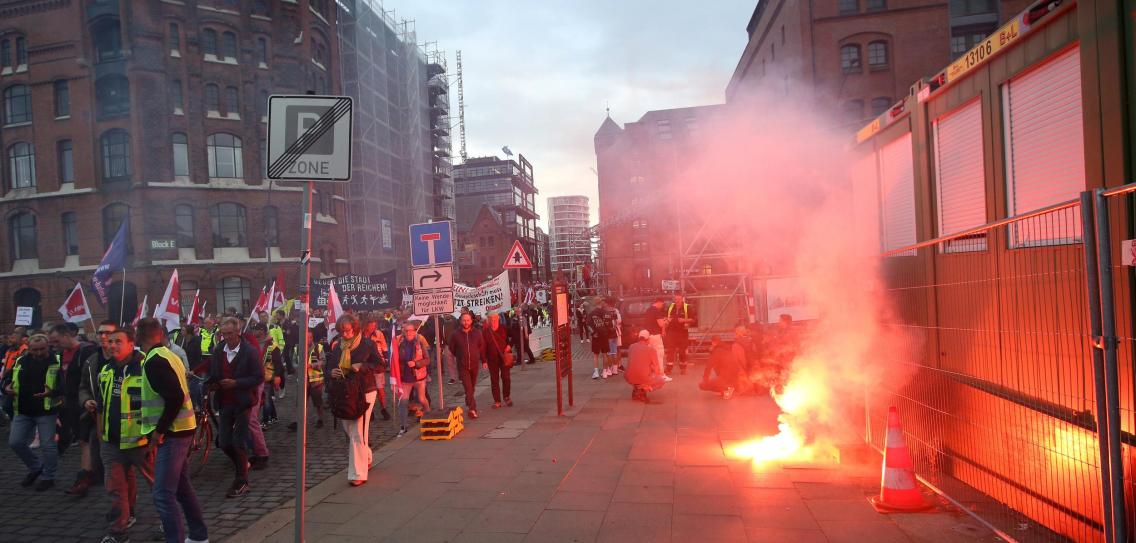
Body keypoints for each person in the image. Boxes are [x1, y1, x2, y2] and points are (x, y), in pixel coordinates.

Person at [135, 319, 208, 543]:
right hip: (181, 429)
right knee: (182, 488)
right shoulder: (168, 355)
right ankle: (198, 536)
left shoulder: (155, 360)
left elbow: (174, 397)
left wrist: (159, 431)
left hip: (173, 434)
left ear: (141, 336)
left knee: (163, 493)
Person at [93, 328, 152, 543]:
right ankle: (119, 531)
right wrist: (102, 437)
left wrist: (157, 436)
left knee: (159, 486)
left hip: (143, 442)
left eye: (118, 341)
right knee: (115, 490)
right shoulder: (106, 370)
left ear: (131, 343)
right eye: (109, 342)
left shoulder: (146, 368)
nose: (112, 345)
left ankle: (169, 524)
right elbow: (101, 405)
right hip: (113, 444)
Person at [207, 317, 262, 498]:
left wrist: (236, 383)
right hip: (225, 402)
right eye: (224, 334)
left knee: (238, 442)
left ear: (238, 332)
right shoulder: (218, 351)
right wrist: (211, 385)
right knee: (224, 443)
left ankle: (241, 481)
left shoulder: (250, 352)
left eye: (230, 334)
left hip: (243, 402)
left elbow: (258, 377)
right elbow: (214, 373)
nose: (227, 337)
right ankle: (242, 463)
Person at [326, 314, 381, 486]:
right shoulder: (337, 347)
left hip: (365, 391)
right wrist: (331, 372)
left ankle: (357, 473)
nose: (345, 334)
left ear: (355, 328)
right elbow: (330, 366)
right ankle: (367, 455)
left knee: (358, 430)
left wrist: (362, 367)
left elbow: (380, 364)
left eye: (348, 331)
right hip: (344, 392)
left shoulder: (367, 344)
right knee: (348, 428)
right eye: (342, 331)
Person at [4, 334, 61, 491]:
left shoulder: (56, 361)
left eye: (42, 349)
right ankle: (36, 467)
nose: (39, 353)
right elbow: (7, 379)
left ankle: (48, 477)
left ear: (48, 345)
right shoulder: (20, 360)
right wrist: (6, 387)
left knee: (47, 445)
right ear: (29, 348)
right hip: (22, 409)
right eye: (35, 350)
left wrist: (53, 392)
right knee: (15, 442)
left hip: (46, 410)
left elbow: (65, 385)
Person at [71, 320, 119, 497]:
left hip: (122, 416)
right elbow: (83, 386)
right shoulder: (91, 361)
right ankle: (99, 479)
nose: (103, 336)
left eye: (107, 333)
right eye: (100, 333)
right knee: (93, 442)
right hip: (97, 414)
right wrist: (86, 401)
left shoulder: (126, 359)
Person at [48, 323, 98, 473]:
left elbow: (90, 378)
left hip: (85, 401)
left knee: (87, 439)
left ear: (66, 336)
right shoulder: (61, 354)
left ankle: (89, 473)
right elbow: (63, 378)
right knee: (82, 438)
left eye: (56, 341)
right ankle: (90, 471)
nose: (54, 345)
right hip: (70, 402)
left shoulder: (86, 351)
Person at [390, 322, 429, 435]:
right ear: (403, 331)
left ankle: (428, 414)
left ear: (414, 330)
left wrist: (416, 363)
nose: (408, 333)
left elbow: (427, 360)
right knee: (403, 401)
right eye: (406, 330)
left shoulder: (419, 341)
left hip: (418, 377)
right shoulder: (399, 342)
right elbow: (394, 358)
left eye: (410, 330)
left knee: (422, 399)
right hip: (405, 377)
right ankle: (403, 426)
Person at [448, 312, 487, 419]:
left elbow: (481, 347)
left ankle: (468, 400)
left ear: (471, 321)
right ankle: (472, 409)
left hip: (474, 364)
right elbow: (452, 347)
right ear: (461, 321)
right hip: (462, 365)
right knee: (468, 387)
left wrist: (484, 360)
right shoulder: (455, 334)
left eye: (468, 320)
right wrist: (460, 355)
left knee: (472, 387)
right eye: (464, 320)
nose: (466, 322)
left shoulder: (477, 333)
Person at [288, 330, 327, 431]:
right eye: (305, 337)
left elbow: (323, 361)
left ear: (312, 338)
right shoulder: (297, 348)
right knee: (300, 402)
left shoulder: (318, 348)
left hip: (316, 381)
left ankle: (320, 419)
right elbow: (294, 362)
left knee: (317, 402)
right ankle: (297, 422)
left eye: (309, 337)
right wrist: (299, 367)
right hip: (302, 380)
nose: (307, 339)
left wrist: (312, 365)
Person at [361, 315, 391, 422]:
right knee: (367, 390)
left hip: (378, 365)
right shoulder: (360, 335)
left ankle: (384, 408)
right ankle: (370, 411)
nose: (373, 328)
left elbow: (384, 348)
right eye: (371, 326)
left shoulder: (379, 334)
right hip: (365, 366)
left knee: (380, 389)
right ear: (366, 325)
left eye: (375, 326)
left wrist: (386, 360)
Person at [699, 335, 747, 400]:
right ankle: (725, 390)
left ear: (713, 342)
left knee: (702, 385)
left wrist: (705, 378)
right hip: (734, 377)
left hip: (726, 376)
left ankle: (727, 388)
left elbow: (709, 365)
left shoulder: (717, 351)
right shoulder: (727, 349)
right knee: (720, 378)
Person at [253, 323, 282, 428]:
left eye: (257, 330)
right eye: (254, 330)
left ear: (263, 331)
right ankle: (274, 416)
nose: (255, 332)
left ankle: (264, 421)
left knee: (265, 399)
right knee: (267, 398)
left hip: (268, 376)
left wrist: (277, 376)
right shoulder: (254, 343)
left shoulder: (273, 346)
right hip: (257, 376)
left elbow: (278, 363)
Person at [625, 330, 666, 402]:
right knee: (661, 380)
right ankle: (642, 389)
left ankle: (637, 387)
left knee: (640, 373)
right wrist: (656, 374)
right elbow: (657, 369)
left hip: (628, 377)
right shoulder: (651, 350)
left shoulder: (631, 346)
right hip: (643, 377)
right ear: (648, 339)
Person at [483, 313, 512, 409]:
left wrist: (509, 345)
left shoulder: (504, 328)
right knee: (494, 380)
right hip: (492, 359)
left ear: (498, 319)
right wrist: (484, 360)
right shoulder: (486, 331)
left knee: (506, 378)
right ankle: (497, 401)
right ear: (488, 320)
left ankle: (506, 396)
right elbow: (483, 347)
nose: (493, 321)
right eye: (491, 319)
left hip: (504, 357)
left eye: (495, 319)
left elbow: (512, 338)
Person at [665, 293, 696, 375]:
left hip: (682, 333)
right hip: (671, 332)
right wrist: (667, 321)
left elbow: (693, 320)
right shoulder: (670, 307)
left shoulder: (687, 307)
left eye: (679, 299)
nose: (677, 301)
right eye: (676, 299)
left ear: (682, 299)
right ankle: (668, 369)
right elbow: (665, 318)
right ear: (674, 299)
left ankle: (683, 368)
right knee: (670, 351)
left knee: (682, 351)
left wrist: (684, 320)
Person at [643, 298, 671, 382]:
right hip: (655, 336)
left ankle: (651, 374)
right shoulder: (656, 311)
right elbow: (661, 324)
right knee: (659, 355)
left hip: (648, 336)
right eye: (662, 304)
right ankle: (661, 375)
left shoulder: (648, 310)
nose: (662, 306)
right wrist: (667, 321)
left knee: (650, 357)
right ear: (659, 303)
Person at [588, 300, 614, 379]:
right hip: (604, 335)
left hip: (596, 336)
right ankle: (605, 371)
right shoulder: (606, 313)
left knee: (595, 355)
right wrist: (608, 333)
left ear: (595, 304)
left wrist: (593, 333)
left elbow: (588, 325)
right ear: (601, 303)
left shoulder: (591, 313)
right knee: (605, 354)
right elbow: (610, 325)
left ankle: (596, 372)